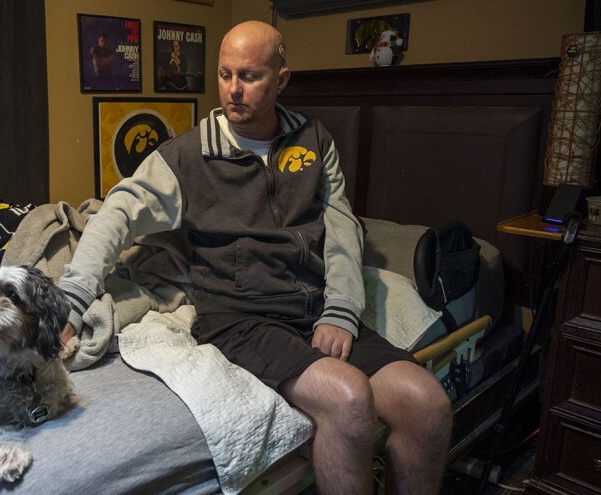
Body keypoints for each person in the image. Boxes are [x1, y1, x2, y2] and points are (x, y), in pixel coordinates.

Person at [60, 20, 451, 494]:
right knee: (348, 400)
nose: (233, 90)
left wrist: (342, 311)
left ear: (281, 80)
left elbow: (343, 227)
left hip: (311, 308)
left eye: (249, 76)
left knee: (427, 403)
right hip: (239, 315)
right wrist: (75, 295)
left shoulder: (314, 141)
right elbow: (117, 212)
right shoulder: (187, 157)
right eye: (225, 75)